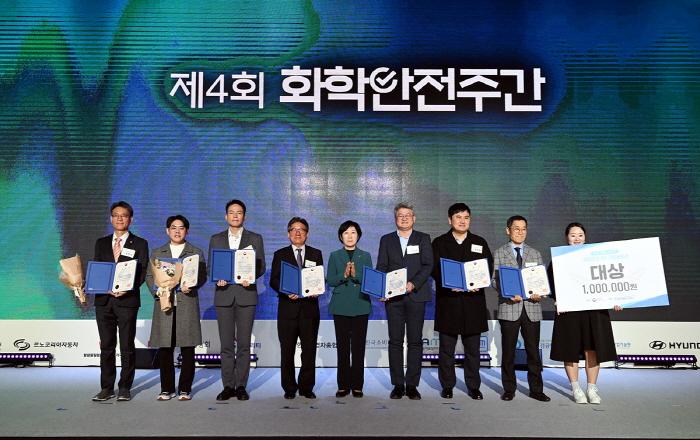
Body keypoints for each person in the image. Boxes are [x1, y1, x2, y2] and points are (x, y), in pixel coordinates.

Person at [549, 222, 620, 404]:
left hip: (594, 311)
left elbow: (608, 281)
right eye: (573, 235)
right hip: (569, 311)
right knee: (569, 350)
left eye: (580, 235)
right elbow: (550, 284)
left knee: (592, 349)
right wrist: (557, 299)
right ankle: (575, 388)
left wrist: (616, 299)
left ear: (585, 237)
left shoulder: (597, 258)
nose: (577, 238)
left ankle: (591, 388)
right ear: (567, 238)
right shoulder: (558, 259)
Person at [432, 203, 492, 400]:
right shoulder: (440, 242)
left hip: (473, 303)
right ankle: (447, 385)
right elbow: (434, 269)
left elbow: (488, 267)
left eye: (466, 217)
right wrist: (448, 284)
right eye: (458, 217)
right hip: (448, 303)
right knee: (446, 350)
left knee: (473, 350)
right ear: (450, 220)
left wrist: (479, 283)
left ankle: (473, 386)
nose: (462, 221)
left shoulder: (479, 242)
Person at [91, 201, 149, 402]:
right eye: (116, 215)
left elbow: (142, 271)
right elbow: (98, 269)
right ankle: (106, 387)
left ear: (130, 219)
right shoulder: (101, 242)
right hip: (103, 301)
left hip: (127, 301)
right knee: (106, 346)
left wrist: (127, 288)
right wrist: (102, 285)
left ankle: (125, 387)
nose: (119, 218)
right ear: (111, 218)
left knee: (126, 346)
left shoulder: (140, 243)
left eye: (124, 215)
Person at [208, 200, 266, 401]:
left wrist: (252, 276)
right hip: (223, 295)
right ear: (226, 216)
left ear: (244, 216)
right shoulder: (216, 239)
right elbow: (211, 267)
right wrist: (217, 277)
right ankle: (227, 386)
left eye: (239, 212)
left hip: (246, 294)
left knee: (243, 344)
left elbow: (261, 266)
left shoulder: (255, 238)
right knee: (225, 344)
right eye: (231, 212)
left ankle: (241, 385)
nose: (235, 216)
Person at [146, 215, 207, 401]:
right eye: (173, 227)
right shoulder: (158, 252)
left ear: (186, 231)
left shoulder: (195, 252)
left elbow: (202, 275)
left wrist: (193, 285)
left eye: (181, 228)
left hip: (186, 302)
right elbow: (150, 276)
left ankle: (185, 389)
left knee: (187, 348)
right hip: (165, 303)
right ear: (167, 231)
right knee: (165, 347)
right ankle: (166, 389)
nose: (177, 231)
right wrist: (158, 290)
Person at [376, 202, 433, 400]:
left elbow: (428, 265)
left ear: (414, 218)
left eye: (408, 215)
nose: (404, 218)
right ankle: (398, 384)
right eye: (400, 215)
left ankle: (412, 385)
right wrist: (382, 289)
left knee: (415, 341)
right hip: (394, 299)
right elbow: (381, 266)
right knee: (395, 341)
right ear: (395, 219)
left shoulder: (423, 238)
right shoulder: (386, 240)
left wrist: (413, 284)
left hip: (416, 296)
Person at [492, 215, 550, 402]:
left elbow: (540, 280)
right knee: (508, 352)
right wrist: (507, 293)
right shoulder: (500, 252)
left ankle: (536, 390)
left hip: (532, 308)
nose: (520, 232)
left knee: (533, 352)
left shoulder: (535, 253)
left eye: (524, 228)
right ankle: (509, 388)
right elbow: (494, 280)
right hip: (509, 307)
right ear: (508, 230)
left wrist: (540, 293)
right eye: (516, 228)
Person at [269, 217, 324, 399]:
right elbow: (274, 280)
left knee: (309, 351)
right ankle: (289, 388)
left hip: (309, 310)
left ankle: (306, 387)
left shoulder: (316, 254)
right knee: (287, 351)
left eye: (301, 229)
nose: (297, 232)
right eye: (293, 229)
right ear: (288, 234)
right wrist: (285, 292)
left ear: (307, 234)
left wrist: (317, 290)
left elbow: (319, 278)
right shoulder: (280, 254)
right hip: (288, 310)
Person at [327, 220, 373, 398]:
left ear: (358, 235)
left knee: (359, 348)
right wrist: (344, 275)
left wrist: (355, 275)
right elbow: (330, 280)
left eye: (353, 232)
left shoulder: (365, 255)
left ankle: (357, 385)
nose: (350, 236)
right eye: (346, 233)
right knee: (343, 348)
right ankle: (343, 385)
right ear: (341, 236)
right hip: (340, 306)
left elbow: (370, 279)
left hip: (361, 305)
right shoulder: (334, 255)